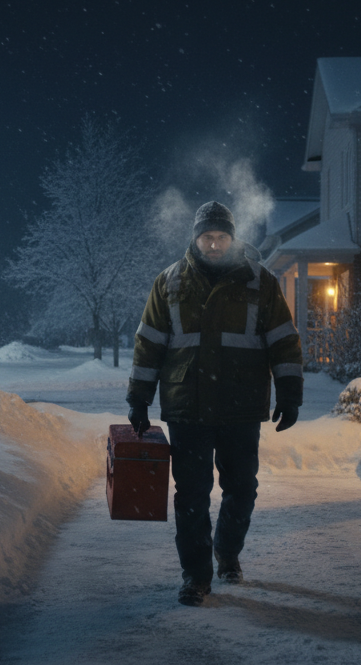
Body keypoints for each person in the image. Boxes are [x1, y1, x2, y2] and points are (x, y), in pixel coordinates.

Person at [127, 201, 303, 606]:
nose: (213, 243)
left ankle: (227, 551)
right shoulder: (169, 283)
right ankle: (195, 575)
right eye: (207, 236)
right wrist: (139, 399)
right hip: (187, 405)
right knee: (191, 495)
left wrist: (290, 394)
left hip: (240, 406)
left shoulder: (260, 282)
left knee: (242, 489)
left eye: (221, 236)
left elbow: (283, 340)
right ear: (195, 237)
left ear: (232, 237)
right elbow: (149, 344)